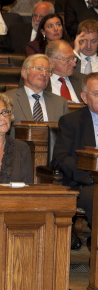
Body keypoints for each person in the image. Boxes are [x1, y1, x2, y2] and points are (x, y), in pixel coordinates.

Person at [51, 71, 98, 230]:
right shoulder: (71, 122)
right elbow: (61, 158)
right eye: (97, 93)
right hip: (85, 183)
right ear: (84, 97)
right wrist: (91, 178)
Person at [5, 54, 69, 123]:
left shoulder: (60, 103)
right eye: (39, 69)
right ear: (24, 73)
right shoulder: (8, 99)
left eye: (47, 70)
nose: (44, 74)